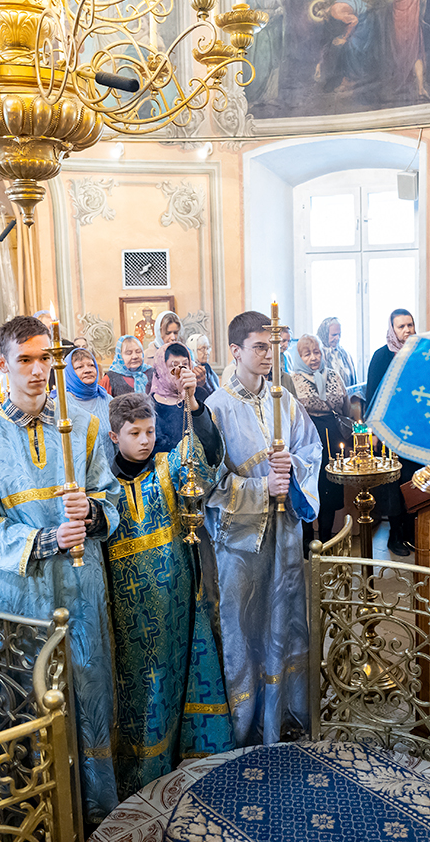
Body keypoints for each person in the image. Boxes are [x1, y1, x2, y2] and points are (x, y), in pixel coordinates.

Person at [0, 315, 122, 823]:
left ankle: (95, 808)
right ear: (2, 365)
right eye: (24, 360)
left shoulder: (83, 425)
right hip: (21, 596)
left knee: (88, 687)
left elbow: (110, 497)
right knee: (28, 694)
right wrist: (47, 539)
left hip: (82, 588)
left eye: (45, 358)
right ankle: (34, 811)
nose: (36, 370)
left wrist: (92, 513)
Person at [103, 392, 233, 800]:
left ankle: (190, 755)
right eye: (135, 433)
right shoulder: (102, 486)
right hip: (131, 619)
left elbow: (204, 455)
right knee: (144, 691)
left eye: (150, 431)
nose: (145, 440)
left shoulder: (165, 467)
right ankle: (142, 774)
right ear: (114, 436)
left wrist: (194, 406)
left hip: (178, 605)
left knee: (184, 677)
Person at [201, 310, 323, 746]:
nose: (268, 354)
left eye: (271, 346)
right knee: (245, 626)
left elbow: (312, 449)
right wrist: (261, 488)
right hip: (241, 543)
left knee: (285, 618)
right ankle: (246, 723)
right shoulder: (214, 409)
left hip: (284, 533)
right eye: (258, 347)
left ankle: (286, 712)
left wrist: (295, 468)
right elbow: (206, 485)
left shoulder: (284, 399)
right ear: (235, 351)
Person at [365, 309, 419, 557]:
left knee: (412, 480)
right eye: (401, 326)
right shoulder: (381, 356)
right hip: (388, 431)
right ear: (392, 329)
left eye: (410, 325)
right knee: (393, 484)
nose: (407, 330)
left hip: (415, 432)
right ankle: (394, 536)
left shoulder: (420, 353)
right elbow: (372, 396)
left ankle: (410, 532)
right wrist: (374, 431)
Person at [292, 333, 348, 540]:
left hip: (332, 436)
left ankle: (326, 539)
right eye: (307, 354)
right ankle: (307, 539)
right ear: (299, 357)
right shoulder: (292, 379)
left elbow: (345, 406)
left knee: (330, 488)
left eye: (316, 352)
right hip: (306, 437)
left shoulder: (333, 375)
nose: (313, 358)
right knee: (307, 485)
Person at [149, 342, 210, 454]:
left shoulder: (199, 394)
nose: (181, 371)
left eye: (185, 364)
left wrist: (190, 398)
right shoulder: (149, 405)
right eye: (174, 365)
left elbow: (210, 440)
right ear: (161, 369)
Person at [66, 347, 113, 443]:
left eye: (91, 365)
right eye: (79, 367)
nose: (88, 370)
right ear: (69, 372)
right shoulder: (62, 404)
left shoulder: (107, 400)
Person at [317, 316, 357, 387]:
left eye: (339, 334)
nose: (337, 338)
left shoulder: (345, 354)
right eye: (334, 335)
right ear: (324, 334)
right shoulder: (317, 355)